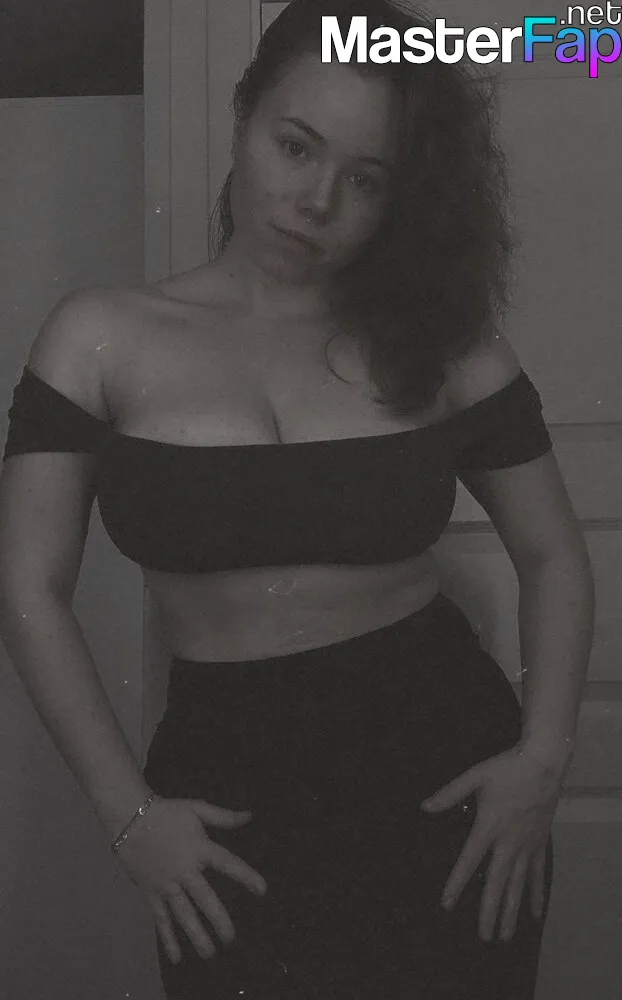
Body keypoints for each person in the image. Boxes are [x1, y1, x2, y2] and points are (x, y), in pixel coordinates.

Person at [0, 0, 594, 997]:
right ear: (244, 116)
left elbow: (554, 554)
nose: (315, 200)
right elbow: (28, 587)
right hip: (226, 796)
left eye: (364, 179)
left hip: (446, 779)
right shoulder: (97, 337)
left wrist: (541, 759)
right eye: (296, 146)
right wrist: (125, 812)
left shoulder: (443, 343)